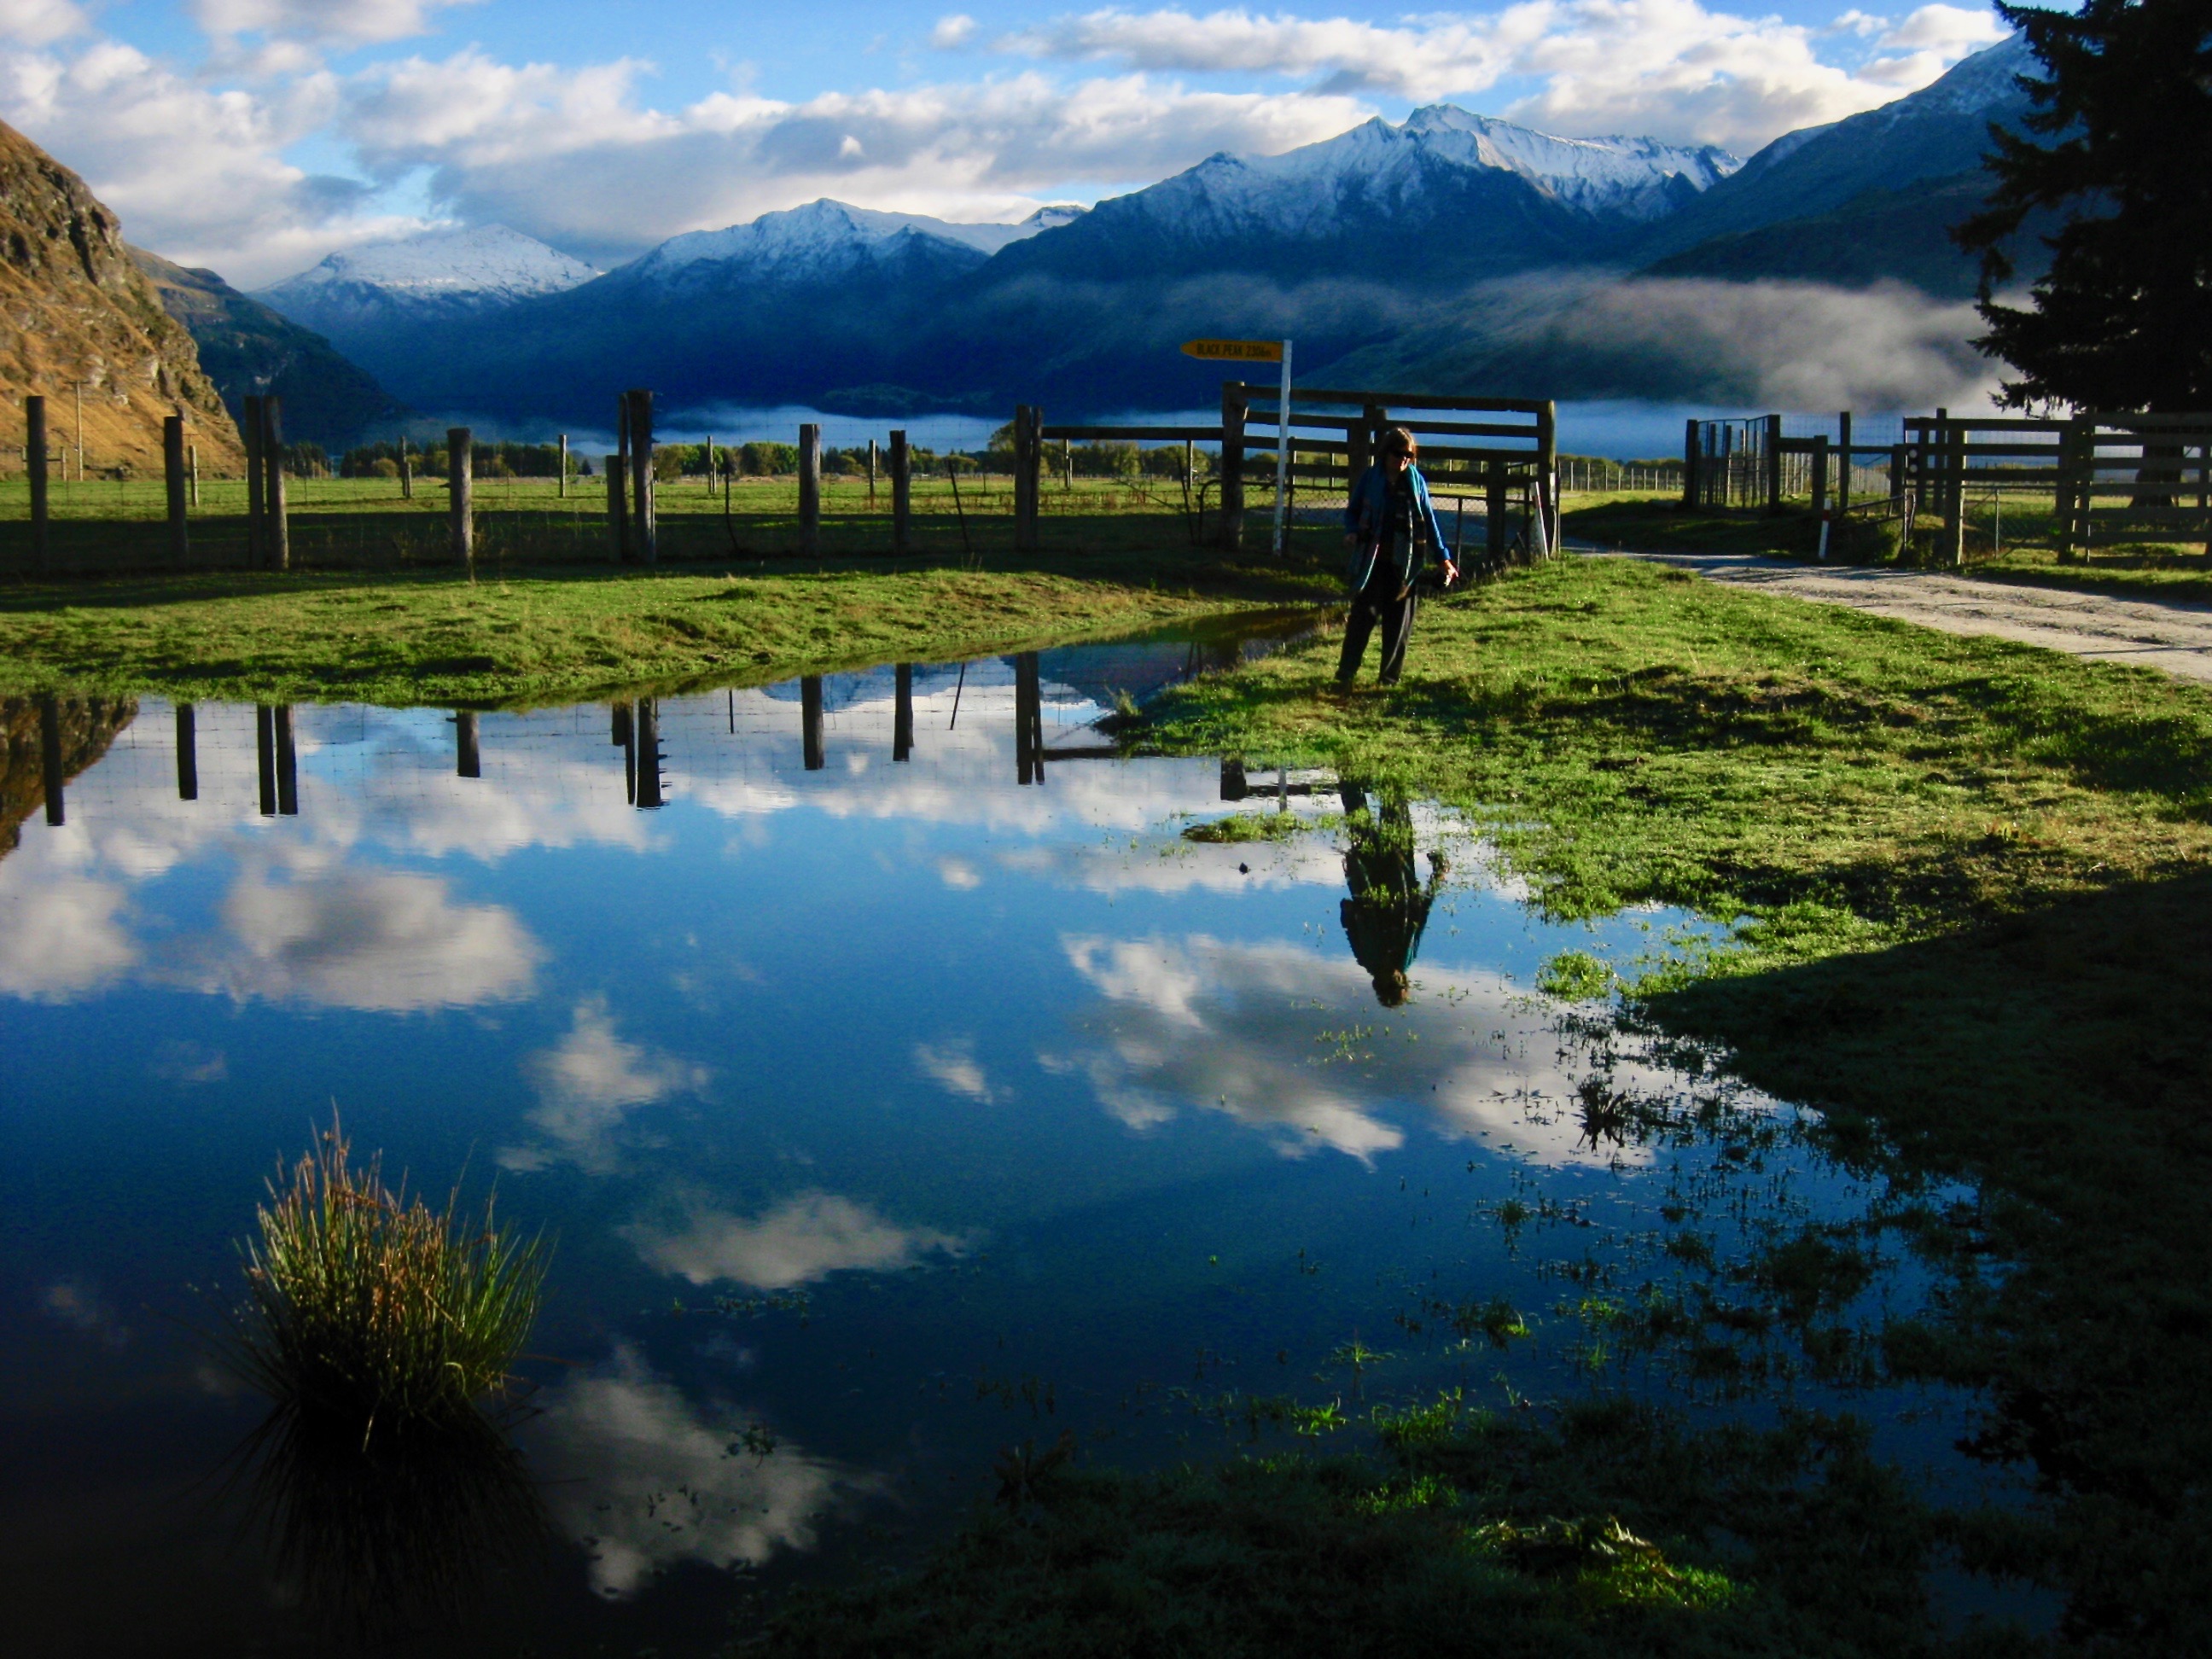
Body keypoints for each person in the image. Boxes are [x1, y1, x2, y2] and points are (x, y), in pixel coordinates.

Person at [1338, 428, 1456, 687]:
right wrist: (1352, 532)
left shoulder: (1417, 483)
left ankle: (1388, 680)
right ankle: (1345, 674)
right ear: (1385, 453)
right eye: (1398, 453)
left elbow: (1429, 522)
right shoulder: (1371, 479)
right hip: (1372, 562)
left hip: (1406, 563)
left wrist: (1443, 558)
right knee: (1361, 619)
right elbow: (1352, 512)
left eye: (1408, 455)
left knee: (1398, 625)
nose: (1403, 459)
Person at [1337, 781, 1447, 1008]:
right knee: (1396, 814)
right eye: (1400, 983)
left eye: (1392, 984)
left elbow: (1350, 927)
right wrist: (1437, 877)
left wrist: (1348, 903)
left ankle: (1348, 771)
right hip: (1399, 880)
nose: (1396, 979)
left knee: (1359, 820)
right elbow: (1420, 918)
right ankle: (1391, 773)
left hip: (1369, 883)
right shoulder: (1407, 957)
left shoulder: (1366, 959)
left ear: (1379, 983)